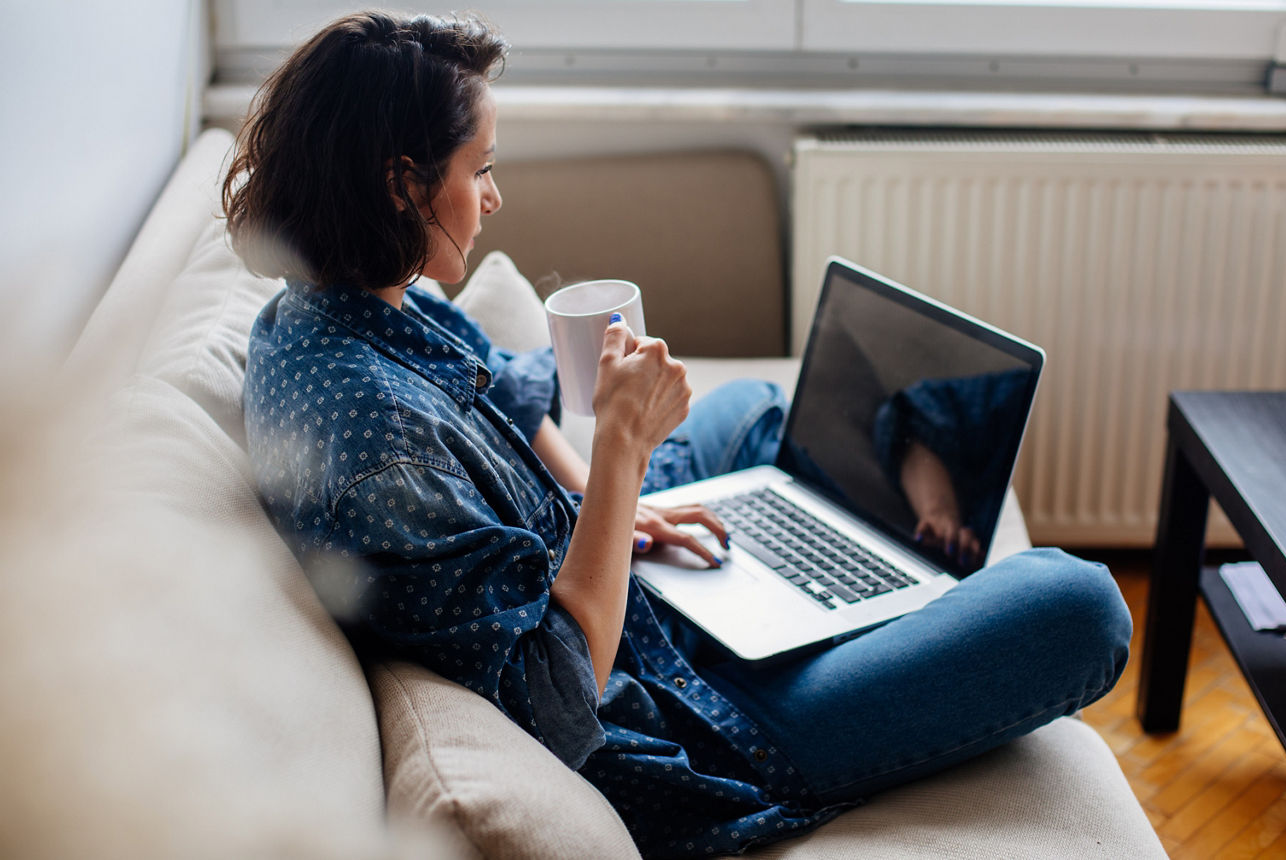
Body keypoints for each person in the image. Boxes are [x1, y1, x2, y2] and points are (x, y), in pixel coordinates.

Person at [227, 12, 1132, 859]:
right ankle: (869, 612)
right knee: (1080, 604)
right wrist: (622, 452)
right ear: (400, 183)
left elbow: (504, 395)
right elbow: (559, 693)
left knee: (749, 409)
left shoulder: (336, 308)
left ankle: (850, 582)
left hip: (638, 601)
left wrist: (607, 509)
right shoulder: (381, 449)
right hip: (699, 716)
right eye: (480, 169)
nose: (494, 197)